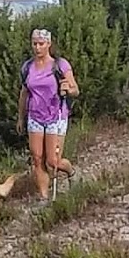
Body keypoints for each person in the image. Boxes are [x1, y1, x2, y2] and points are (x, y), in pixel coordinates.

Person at [19, 28, 79, 200]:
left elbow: (75, 89)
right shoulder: (28, 67)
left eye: (41, 44)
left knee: (53, 162)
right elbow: (24, 93)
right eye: (34, 44)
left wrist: (68, 89)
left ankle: (71, 172)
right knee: (37, 159)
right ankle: (44, 198)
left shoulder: (60, 65)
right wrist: (20, 117)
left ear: (49, 44)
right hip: (35, 117)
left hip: (56, 116)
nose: (37, 48)